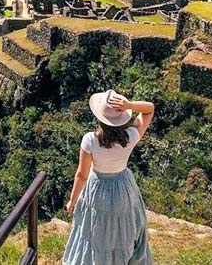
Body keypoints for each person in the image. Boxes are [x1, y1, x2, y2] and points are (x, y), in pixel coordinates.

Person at [62, 89, 155, 265]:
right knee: (123, 227)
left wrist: (72, 202)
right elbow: (149, 109)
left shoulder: (90, 140)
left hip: (98, 188)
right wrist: (128, 106)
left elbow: (81, 175)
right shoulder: (132, 136)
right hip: (123, 186)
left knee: (96, 230)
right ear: (123, 118)